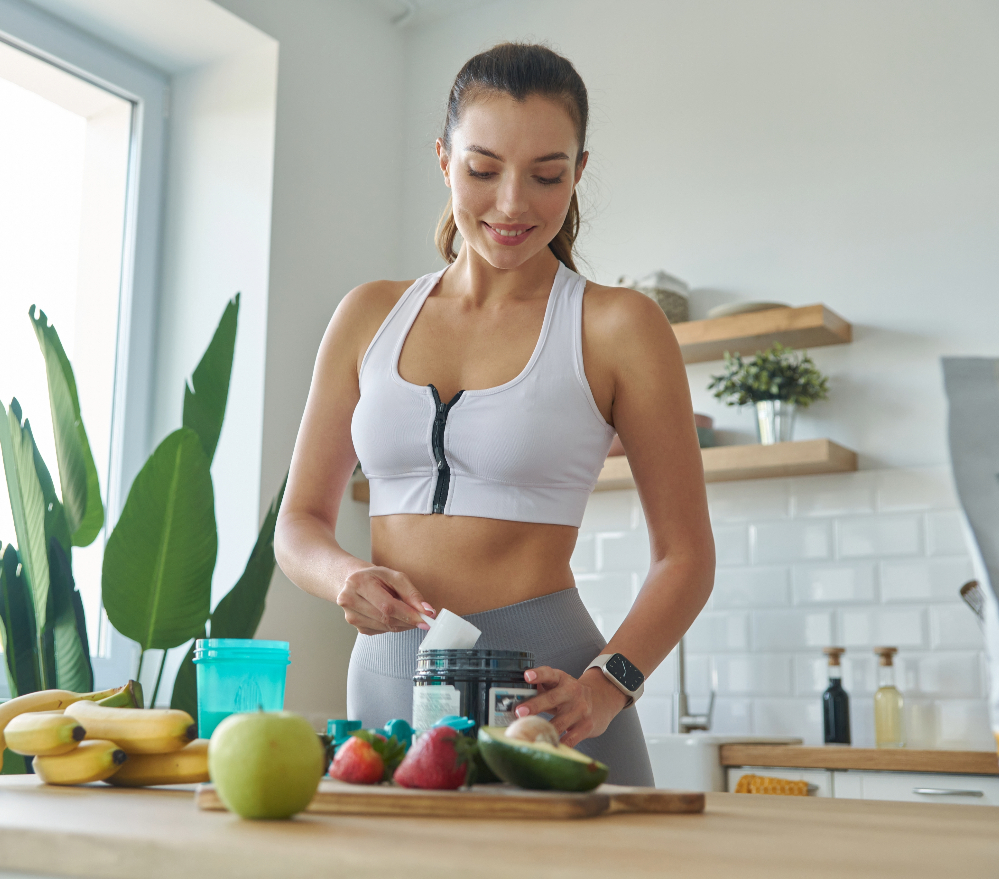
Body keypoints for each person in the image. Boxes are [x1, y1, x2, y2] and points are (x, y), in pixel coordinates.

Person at [274, 43, 714, 786]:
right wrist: (345, 576)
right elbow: (299, 524)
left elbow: (687, 556)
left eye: (547, 174)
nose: (513, 203)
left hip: (552, 695)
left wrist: (607, 686)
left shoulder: (618, 326)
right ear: (444, 160)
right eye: (483, 170)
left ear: (577, 172)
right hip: (387, 685)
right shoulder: (367, 315)